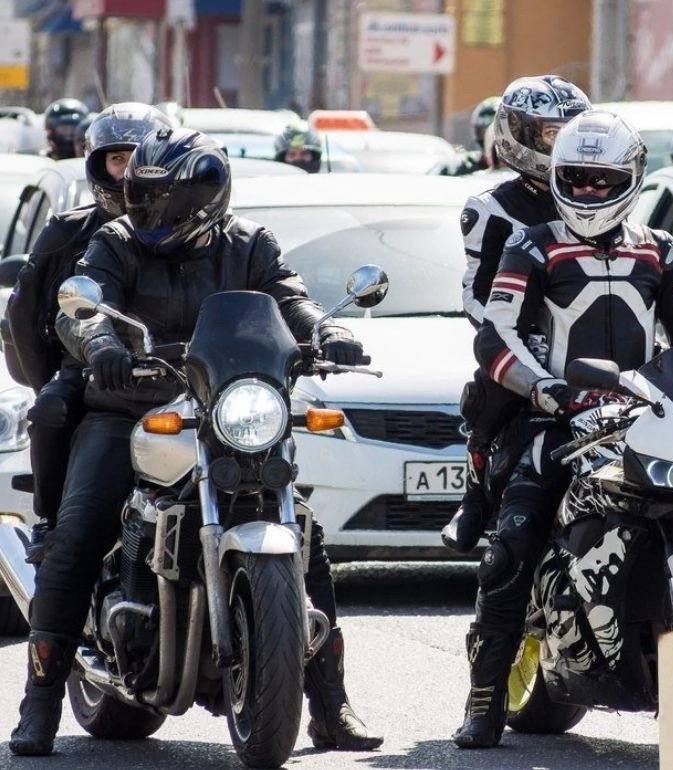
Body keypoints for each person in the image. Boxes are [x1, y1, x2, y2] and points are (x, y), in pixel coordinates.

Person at [9, 127, 382, 756]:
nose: (147, 210)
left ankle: (329, 703)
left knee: (306, 537)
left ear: (200, 198)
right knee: (77, 535)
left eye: (160, 199)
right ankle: (40, 701)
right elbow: (84, 310)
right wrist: (101, 345)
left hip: (226, 408)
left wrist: (327, 331)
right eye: (141, 195)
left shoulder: (250, 243)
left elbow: (290, 296)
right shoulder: (115, 241)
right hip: (129, 409)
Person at [453, 110, 673, 749]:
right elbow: (496, 336)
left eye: (604, 180)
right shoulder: (531, 245)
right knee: (512, 545)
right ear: (557, 176)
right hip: (554, 419)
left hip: (644, 418)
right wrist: (544, 387)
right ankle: (483, 700)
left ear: (632, 178)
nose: (590, 191)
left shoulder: (662, 250)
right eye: (576, 178)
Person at [5, 103, 172, 565]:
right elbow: (24, 317)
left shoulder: (194, 227)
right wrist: (49, 379)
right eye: (117, 159)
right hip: (91, 368)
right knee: (49, 411)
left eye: (139, 158)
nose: (129, 171)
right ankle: (50, 518)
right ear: (98, 164)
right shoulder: (68, 231)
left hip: (180, 370)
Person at [442, 75, 590, 553]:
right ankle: (474, 496)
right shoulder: (492, 208)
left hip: (592, 338)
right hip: (524, 337)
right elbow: (475, 292)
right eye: (552, 134)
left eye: (572, 133)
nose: (564, 145)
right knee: (492, 387)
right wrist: (518, 336)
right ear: (520, 134)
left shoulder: (599, 193)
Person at [437, 96, 502, 177]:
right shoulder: (460, 167)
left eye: (497, 132)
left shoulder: (516, 169)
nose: (489, 138)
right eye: (483, 132)